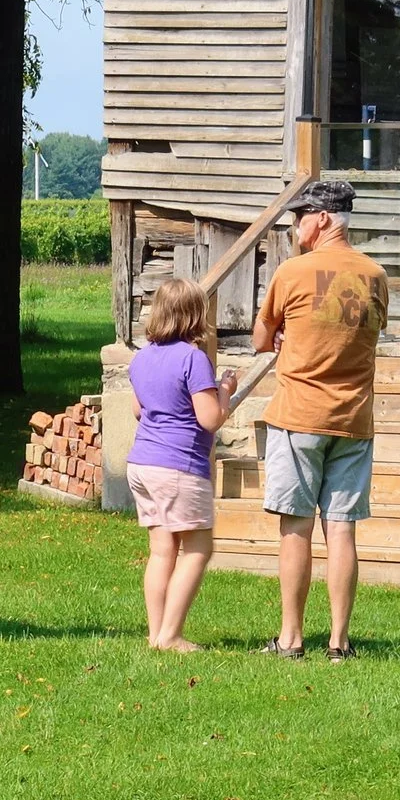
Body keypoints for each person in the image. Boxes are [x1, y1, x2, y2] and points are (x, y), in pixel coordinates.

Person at [252, 178, 387, 661]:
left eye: (300, 216)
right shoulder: (376, 276)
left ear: (323, 218)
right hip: (353, 419)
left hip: (299, 416)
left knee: (296, 529)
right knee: (343, 528)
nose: (295, 225)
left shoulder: (292, 273)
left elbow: (260, 339)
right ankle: (339, 641)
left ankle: (290, 639)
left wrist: (287, 337)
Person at [126, 277, 228, 652]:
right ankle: (170, 636)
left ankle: (156, 634)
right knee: (198, 548)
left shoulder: (142, 357)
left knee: (161, 551)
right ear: (195, 316)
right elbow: (210, 419)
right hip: (179, 466)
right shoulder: (193, 358)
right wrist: (226, 392)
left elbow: (139, 410)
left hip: (142, 464)